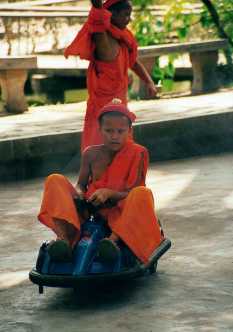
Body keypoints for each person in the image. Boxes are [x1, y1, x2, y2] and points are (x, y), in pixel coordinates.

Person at [38, 99, 163, 264]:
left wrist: (109, 193)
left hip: (121, 210)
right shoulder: (91, 154)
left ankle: (112, 242)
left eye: (120, 131)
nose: (114, 136)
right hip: (91, 209)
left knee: (142, 194)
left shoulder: (138, 153)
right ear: (100, 130)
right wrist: (80, 194)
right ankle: (64, 240)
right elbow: (81, 184)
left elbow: (134, 191)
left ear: (129, 131)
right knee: (54, 179)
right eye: (109, 131)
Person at [64, 0, 157, 152]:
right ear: (112, 14)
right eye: (126, 15)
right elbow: (97, 24)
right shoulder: (104, 40)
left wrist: (149, 81)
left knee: (122, 152)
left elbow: (133, 62)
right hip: (102, 108)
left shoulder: (123, 40)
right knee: (100, 152)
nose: (129, 19)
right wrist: (97, 7)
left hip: (120, 104)